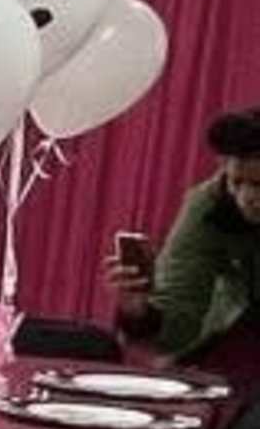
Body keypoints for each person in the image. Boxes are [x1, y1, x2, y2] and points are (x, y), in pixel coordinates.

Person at [109, 109, 260, 355]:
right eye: (237, 182)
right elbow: (179, 312)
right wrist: (140, 312)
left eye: (258, 185)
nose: (246, 198)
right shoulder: (209, 205)